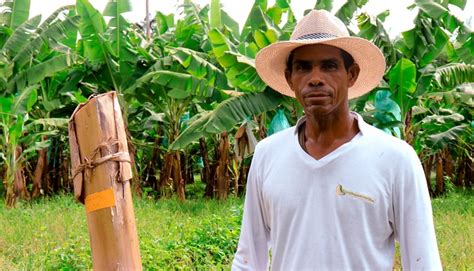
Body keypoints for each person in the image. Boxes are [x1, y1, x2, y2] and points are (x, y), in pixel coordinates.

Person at [232, 10, 442, 270]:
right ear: (290, 78)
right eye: (303, 67)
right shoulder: (267, 155)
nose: (316, 78)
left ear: (351, 74)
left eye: (330, 66)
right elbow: (248, 258)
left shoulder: (395, 159)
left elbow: (423, 261)